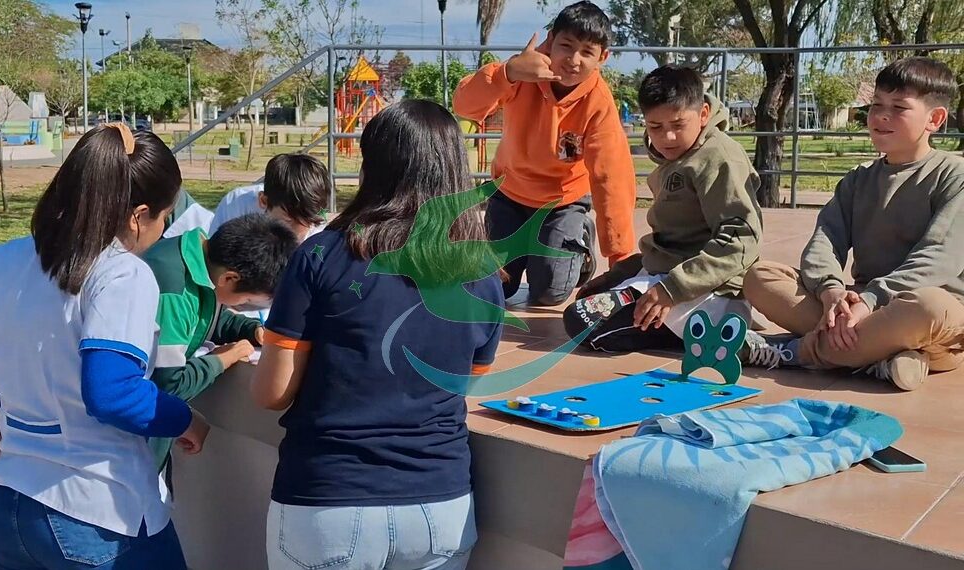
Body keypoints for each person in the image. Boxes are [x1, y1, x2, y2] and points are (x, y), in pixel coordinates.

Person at [0, 124, 209, 569]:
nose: (163, 233)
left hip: (8, 507)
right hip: (97, 514)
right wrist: (185, 420)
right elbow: (112, 393)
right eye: (165, 218)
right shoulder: (121, 274)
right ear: (139, 215)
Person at [250, 100, 504, 570]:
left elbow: (272, 393)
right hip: (440, 505)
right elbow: (467, 383)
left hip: (329, 499)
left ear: (371, 165)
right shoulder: (483, 273)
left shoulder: (320, 257)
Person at [742, 57, 964, 391]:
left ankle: (800, 352)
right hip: (862, 305)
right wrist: (831, 292)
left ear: (934, 119)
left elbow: (938, 257)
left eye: (898, 107)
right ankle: (884, 360)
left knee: (929, 307)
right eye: (876, 105)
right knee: (761, 277)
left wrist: (870, 300)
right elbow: (824, 241)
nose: (881, 116)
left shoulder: (953, 176)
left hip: (923, 309)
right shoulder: (858, 180)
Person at [564, 65, 762, 352]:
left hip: (708, 290)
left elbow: (741, 240)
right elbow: (673, 239)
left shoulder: (720, 158)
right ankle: (665, 314)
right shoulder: (679, 155)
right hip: (667, 274)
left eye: (678, 125)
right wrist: (621, 272)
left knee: (582, 321)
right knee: (593, 296)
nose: (667, 137)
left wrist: (672, 290)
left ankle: (718, 331)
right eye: (655, 127)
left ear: (703, 114)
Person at [452, 0, 637, 306]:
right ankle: (526, 243)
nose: (573, 60)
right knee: (496, 289)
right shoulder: (520, 72)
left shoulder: (599, 103)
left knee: (549, 294)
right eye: (566, 45)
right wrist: (507, 72)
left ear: (603, 57)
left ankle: (579, 244)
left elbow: (611, 177)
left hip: (562, 202)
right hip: (509, 194)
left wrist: (620, 257)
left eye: (587, 52)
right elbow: (465, 106)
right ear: (550, 40)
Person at [146, 213, 298, 472]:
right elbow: (168, 384)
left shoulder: (200, 260)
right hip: (126, 447)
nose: (244, 306)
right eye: (248, 300)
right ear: (229, 278)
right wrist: (223, 358)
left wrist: (251, 330)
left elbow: (208, 315)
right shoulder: (175, 292)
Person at [208, 153, 331, 242]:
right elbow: (214, 260)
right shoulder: (236, 206)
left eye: (306, 222)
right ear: (263, 201)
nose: (295, 232)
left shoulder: (318, 226)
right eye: (288, 221)